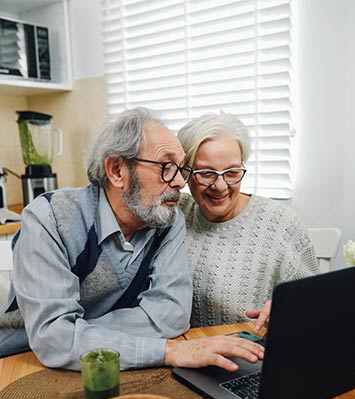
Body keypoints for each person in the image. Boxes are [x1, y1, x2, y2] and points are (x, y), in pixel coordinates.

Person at [0, 107, 264, 373]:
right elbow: (52, 340)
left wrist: (76, 334)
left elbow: (172, 315)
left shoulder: (168, 221)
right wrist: (168, 350)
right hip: (23, 361)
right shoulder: (49, 218)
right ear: (117, 170)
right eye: (166, 167)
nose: (179, 183)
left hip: (114, 362)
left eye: (181, 169)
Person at [177, 111, 319, 331]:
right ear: (185, 173)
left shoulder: (280, 222)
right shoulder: (176, 214)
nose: (220, 186)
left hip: (254, 353)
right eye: (206, 173)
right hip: (188, 350)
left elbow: (314, 302)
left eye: (232, 172)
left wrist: (290, 307)